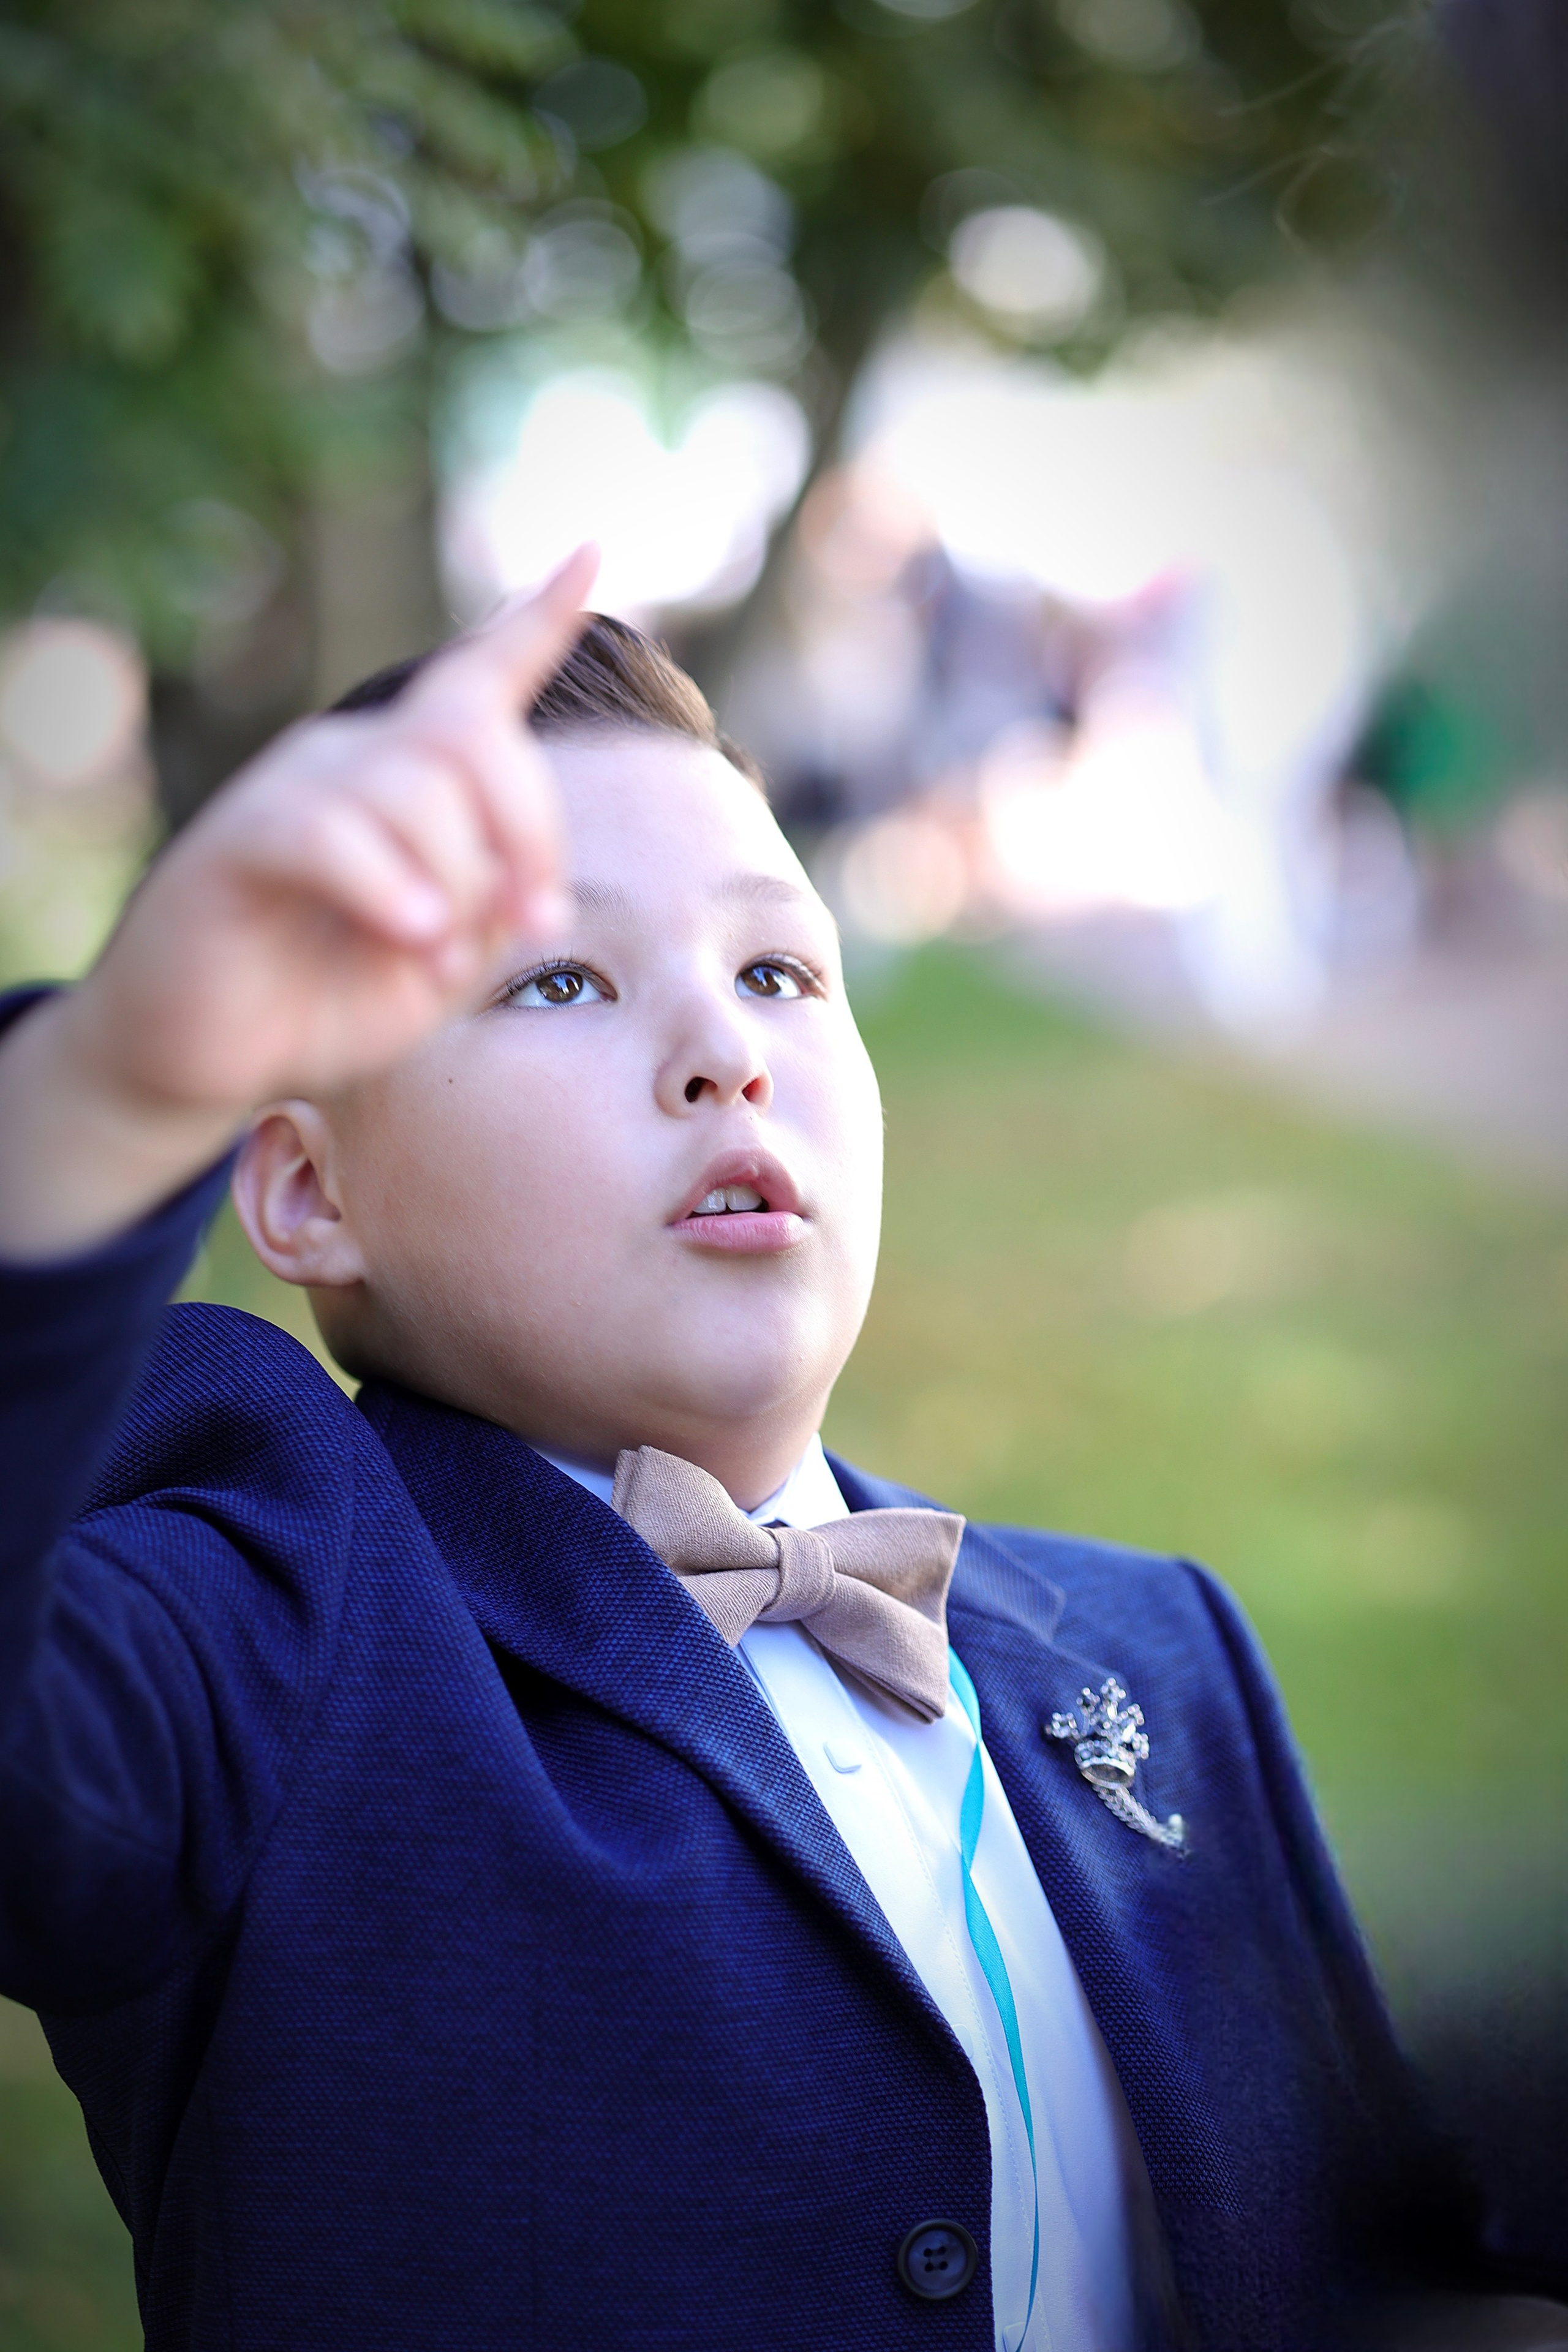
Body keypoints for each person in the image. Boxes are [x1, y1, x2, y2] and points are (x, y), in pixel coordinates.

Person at [0, 553, 1472, 2352]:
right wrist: (113, 1089)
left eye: (780, 966)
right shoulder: (265, 1625)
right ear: (308, 1188)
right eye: (558, 983)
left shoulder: (1162, 1654)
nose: (724, 1054)